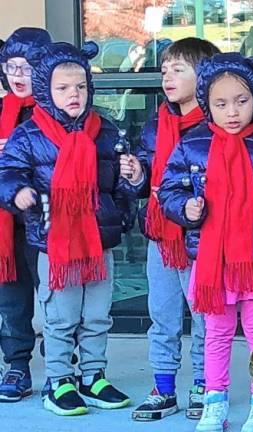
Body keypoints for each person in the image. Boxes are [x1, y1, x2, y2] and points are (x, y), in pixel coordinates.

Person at [0, 41, 137, 415]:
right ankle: (57, 380)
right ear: (46, 90)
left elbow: (123, 184)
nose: (73, 95)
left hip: (98, 239)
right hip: (56, 241)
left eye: (80, 86)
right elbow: (7, 173)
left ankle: (93, 376)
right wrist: (19, 192)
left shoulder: (106, 131)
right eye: (62, 88)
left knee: (96, 314)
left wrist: (133, 180)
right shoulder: (29, 135)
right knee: (60, 316)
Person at [158, 53, 253, 432]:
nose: (232, 112)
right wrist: (186, 209)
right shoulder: (192, 144)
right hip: (213, 261)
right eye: (221, 103)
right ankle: (215, 400)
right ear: (207, 104)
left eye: (242, 101)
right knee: (216, 333)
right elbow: (168, 189)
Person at [126, 37, 220, 422]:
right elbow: (148, 176)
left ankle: (203, 383)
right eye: (165, 69)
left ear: (204, 77)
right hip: (160, 236)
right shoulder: (154, 126)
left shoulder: (216, 126)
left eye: (179, 69)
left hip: (199, 237)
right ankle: (163, 388)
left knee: (202, 315)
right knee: (161, 314)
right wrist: (136, 176)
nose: (168, 76)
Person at [0, 27, 51, 403]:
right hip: (6, 225)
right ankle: (16, 364)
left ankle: (62, 367)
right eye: (11, 66)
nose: (18, 75)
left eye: (28, 66)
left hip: (49, 221)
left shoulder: (57, 108)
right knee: (11, 299)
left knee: (56, 298)